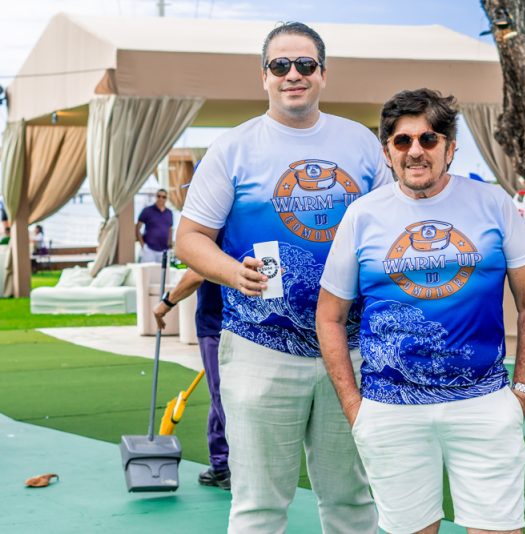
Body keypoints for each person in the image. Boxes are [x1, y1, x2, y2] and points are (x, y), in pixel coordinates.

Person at [175, 21, 393, 533]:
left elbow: (391, 225)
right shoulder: (233, 148)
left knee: (352, 502)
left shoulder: (361, 143)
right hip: (260, 347)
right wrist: (234, 273)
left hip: (352, 346)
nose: (293, 75)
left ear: (323, 73)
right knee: (258, 506)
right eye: (280, 66)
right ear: (264, 77)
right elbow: (189, 239)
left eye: (305, 65)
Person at [317, 89, 525, 534]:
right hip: (390, 409)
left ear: (450, 147)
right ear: (387, 151)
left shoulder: (494, 205)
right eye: (402, 141)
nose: (415, 151)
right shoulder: (362, 216)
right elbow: (329, 315)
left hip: (482, 402)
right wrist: (355, 406)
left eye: (428, 139)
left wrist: (519, 393)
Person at [152, 263, 230, 490]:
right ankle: (221, 464)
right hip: (239, 323)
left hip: (217, 324)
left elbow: (197, 274)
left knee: (223, 398)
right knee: (220, 398)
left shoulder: (212, 230)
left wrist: (166, 303)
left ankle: (237, 468)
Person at [136, 189, 173, 263]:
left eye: (163, 197)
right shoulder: (147, 210)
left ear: (166, 198)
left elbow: (170, 229)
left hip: (164, 250)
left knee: (163, 274)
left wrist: (170, 244)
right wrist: (142, 245)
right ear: (156, 197)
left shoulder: (169, 213)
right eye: (158, 196)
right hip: (149, 250)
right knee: (147, 273)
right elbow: (137, 228)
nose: (161, 198)